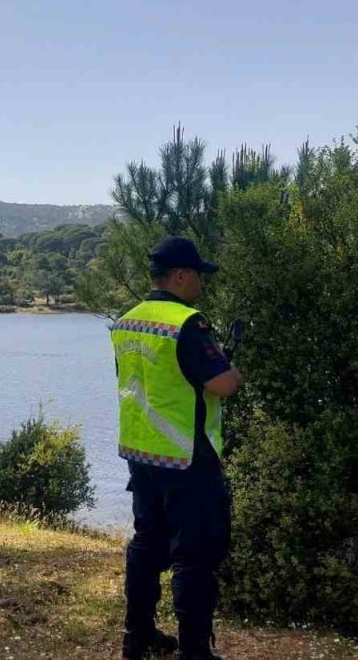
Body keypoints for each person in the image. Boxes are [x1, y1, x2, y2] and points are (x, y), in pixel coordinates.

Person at [112, 237, 243, 660]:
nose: (202, 284)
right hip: (188, 456)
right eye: (199, 276)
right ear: (181, 276)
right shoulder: (187, 323)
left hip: (141, 452)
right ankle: (193, 652)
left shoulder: (127, 320)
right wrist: (232, 369)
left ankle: (137, 637)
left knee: (146, 544)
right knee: (194, 556)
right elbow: (222, 385)